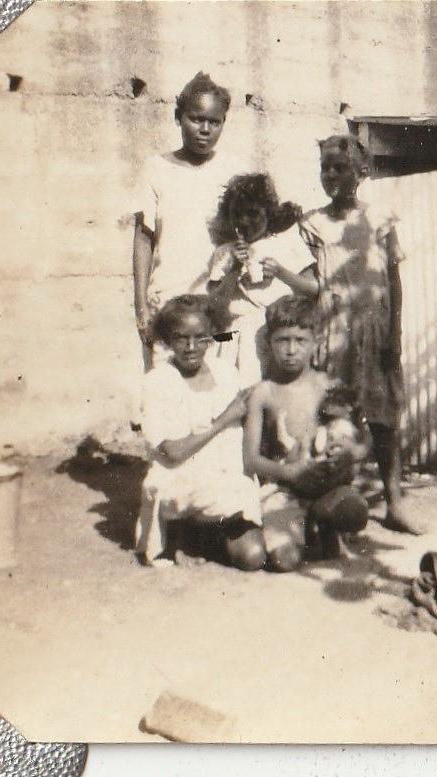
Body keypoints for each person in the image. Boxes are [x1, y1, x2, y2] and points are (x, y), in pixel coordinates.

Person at [299, 134, 422, 534]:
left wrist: (395, 336)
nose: (331, 175)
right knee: (335, 417)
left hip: (376, 335)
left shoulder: (380, 219)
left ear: (362, 172)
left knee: (384, 420)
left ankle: (394, 502)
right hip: (332, 334)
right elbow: (307, 280)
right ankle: (338, 501)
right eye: (325, 168)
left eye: (341, 167)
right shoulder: (312, 224)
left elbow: (393, 279)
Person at [134, 295, 267, 571]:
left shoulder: (225, 372)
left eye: (200, 337)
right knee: (207, 495)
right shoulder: (158, 381)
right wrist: (222, 420)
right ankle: (182, 530)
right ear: (168, 340)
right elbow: (172, 452)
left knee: (254, 556)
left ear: (211, 338)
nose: (191, 347)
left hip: (225, 478)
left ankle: (208, 534)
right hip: (179, 479)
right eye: (181, 338)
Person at [244, 295, 369, 573]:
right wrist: (293, 473)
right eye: (283, 340)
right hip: (283, 488)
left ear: (316, 341)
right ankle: (306, 530)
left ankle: (324, 524)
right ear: (269, 343)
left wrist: (348, 452)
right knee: (283, 561)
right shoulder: (264, 393)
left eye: (300, 340)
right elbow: (251, 460)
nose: (291, 350)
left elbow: (362, 443)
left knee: (354, 511)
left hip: (326, 484)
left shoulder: (328, 386)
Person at [132, 72, 246, 370]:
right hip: (167, 302)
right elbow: (144, 239)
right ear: (178, 117)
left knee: (215, 386)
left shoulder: (234, 171)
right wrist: (141, 307)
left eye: (215, 122)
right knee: (164, 388)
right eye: (196, 119)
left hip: (217, 306)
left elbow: (247, 236)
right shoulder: (155, 169)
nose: (205, 129)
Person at [207, 173, 317, 387]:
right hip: (235, 337)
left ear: (269, 213)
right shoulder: (224, 253)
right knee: (238, 393)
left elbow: (313, 289)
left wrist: (281, 272)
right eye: (237, 214)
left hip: (278, 336)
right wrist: (234, 269)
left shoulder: (287, 243)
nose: (244, 221)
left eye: (253, 214)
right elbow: (214, 305)